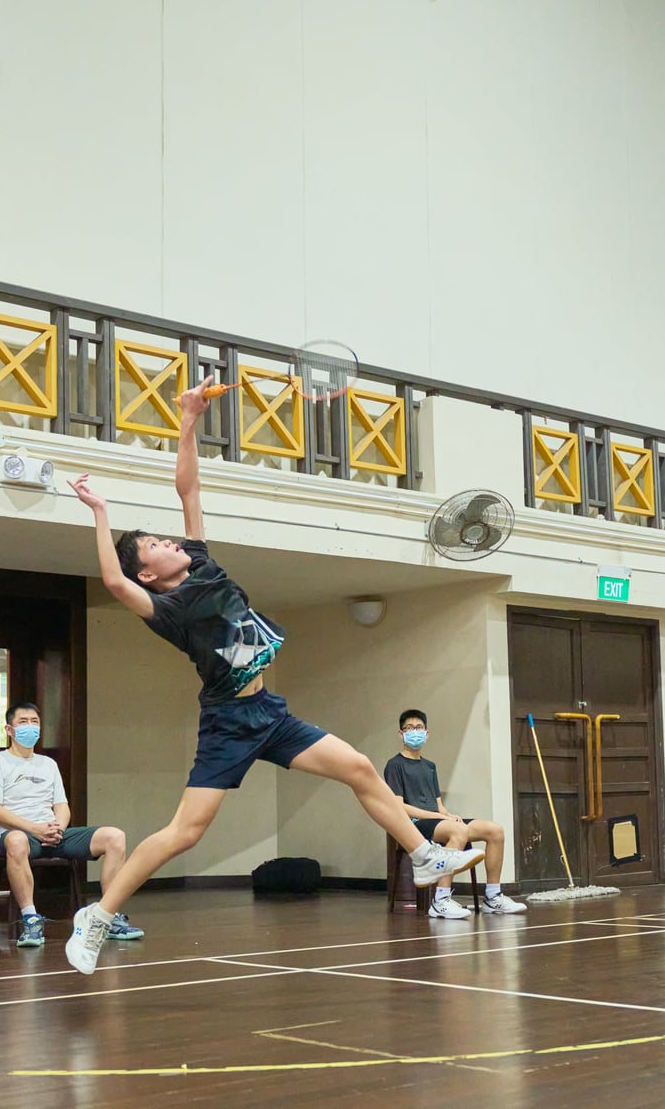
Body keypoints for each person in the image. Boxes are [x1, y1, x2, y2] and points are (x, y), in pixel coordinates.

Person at [64, 375, 485, 975]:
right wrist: (101, 514)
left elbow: (189, 486)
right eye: (155, 544)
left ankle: (423, 856)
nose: (169, 540)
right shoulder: (168, 611)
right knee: (185, 833)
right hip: (229, 723)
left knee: (362, 769)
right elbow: (111, 581)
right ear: (149, 575)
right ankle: (99, 916)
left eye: (163, 537)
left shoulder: (201, 562)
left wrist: (188, 418)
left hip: (271, 713)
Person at [0, 701, 145, 947]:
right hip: (20, 836)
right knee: (16, 840)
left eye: (35, 722)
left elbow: (62, 806)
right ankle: (31, 920)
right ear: (9, 730)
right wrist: (34, 829)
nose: (30, 727)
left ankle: (107, 917)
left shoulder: (48, 764)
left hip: (53, 833)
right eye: (23, 722)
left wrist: (58, 829)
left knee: (114, 836)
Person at [384, 709, 526, 918]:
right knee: (458, 832)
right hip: (415, 825)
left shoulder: (430, 766)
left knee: (494, 830)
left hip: (437, 821)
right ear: (401, 734)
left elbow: (439, 805)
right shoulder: (394, 765)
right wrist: (441, 818)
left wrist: (449, 815)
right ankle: (440, 901)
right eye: (410, 728)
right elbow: (399, 807)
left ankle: (493, 897)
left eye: (419, 727)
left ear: (427, 733)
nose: (415, 732)